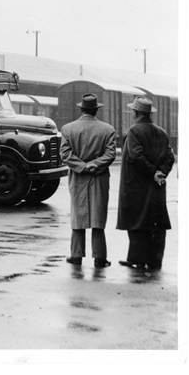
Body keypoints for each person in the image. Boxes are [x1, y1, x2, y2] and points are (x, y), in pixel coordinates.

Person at [116, 96, 175, 270]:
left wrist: (152, 172)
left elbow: (135, 156)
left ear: (136, 112)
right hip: (156, 187)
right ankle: (155, 260)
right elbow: (170, 157)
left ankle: (137, 258)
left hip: (136, 186)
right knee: (156, 222)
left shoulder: (134, 131)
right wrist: (161, 173)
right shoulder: (161, 132)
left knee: (136, 221)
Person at [60, 93, 116, 268]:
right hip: (99, 177)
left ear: (82, 109)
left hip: (78, 176)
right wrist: (94, 164)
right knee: (98, 216)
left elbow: (65, 154)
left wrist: (82, 166)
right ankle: (100, 257)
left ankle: (76, 255)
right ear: (96, 110)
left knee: (78, 215)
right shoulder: (108, 129)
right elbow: (110, 154)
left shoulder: (68, 129)